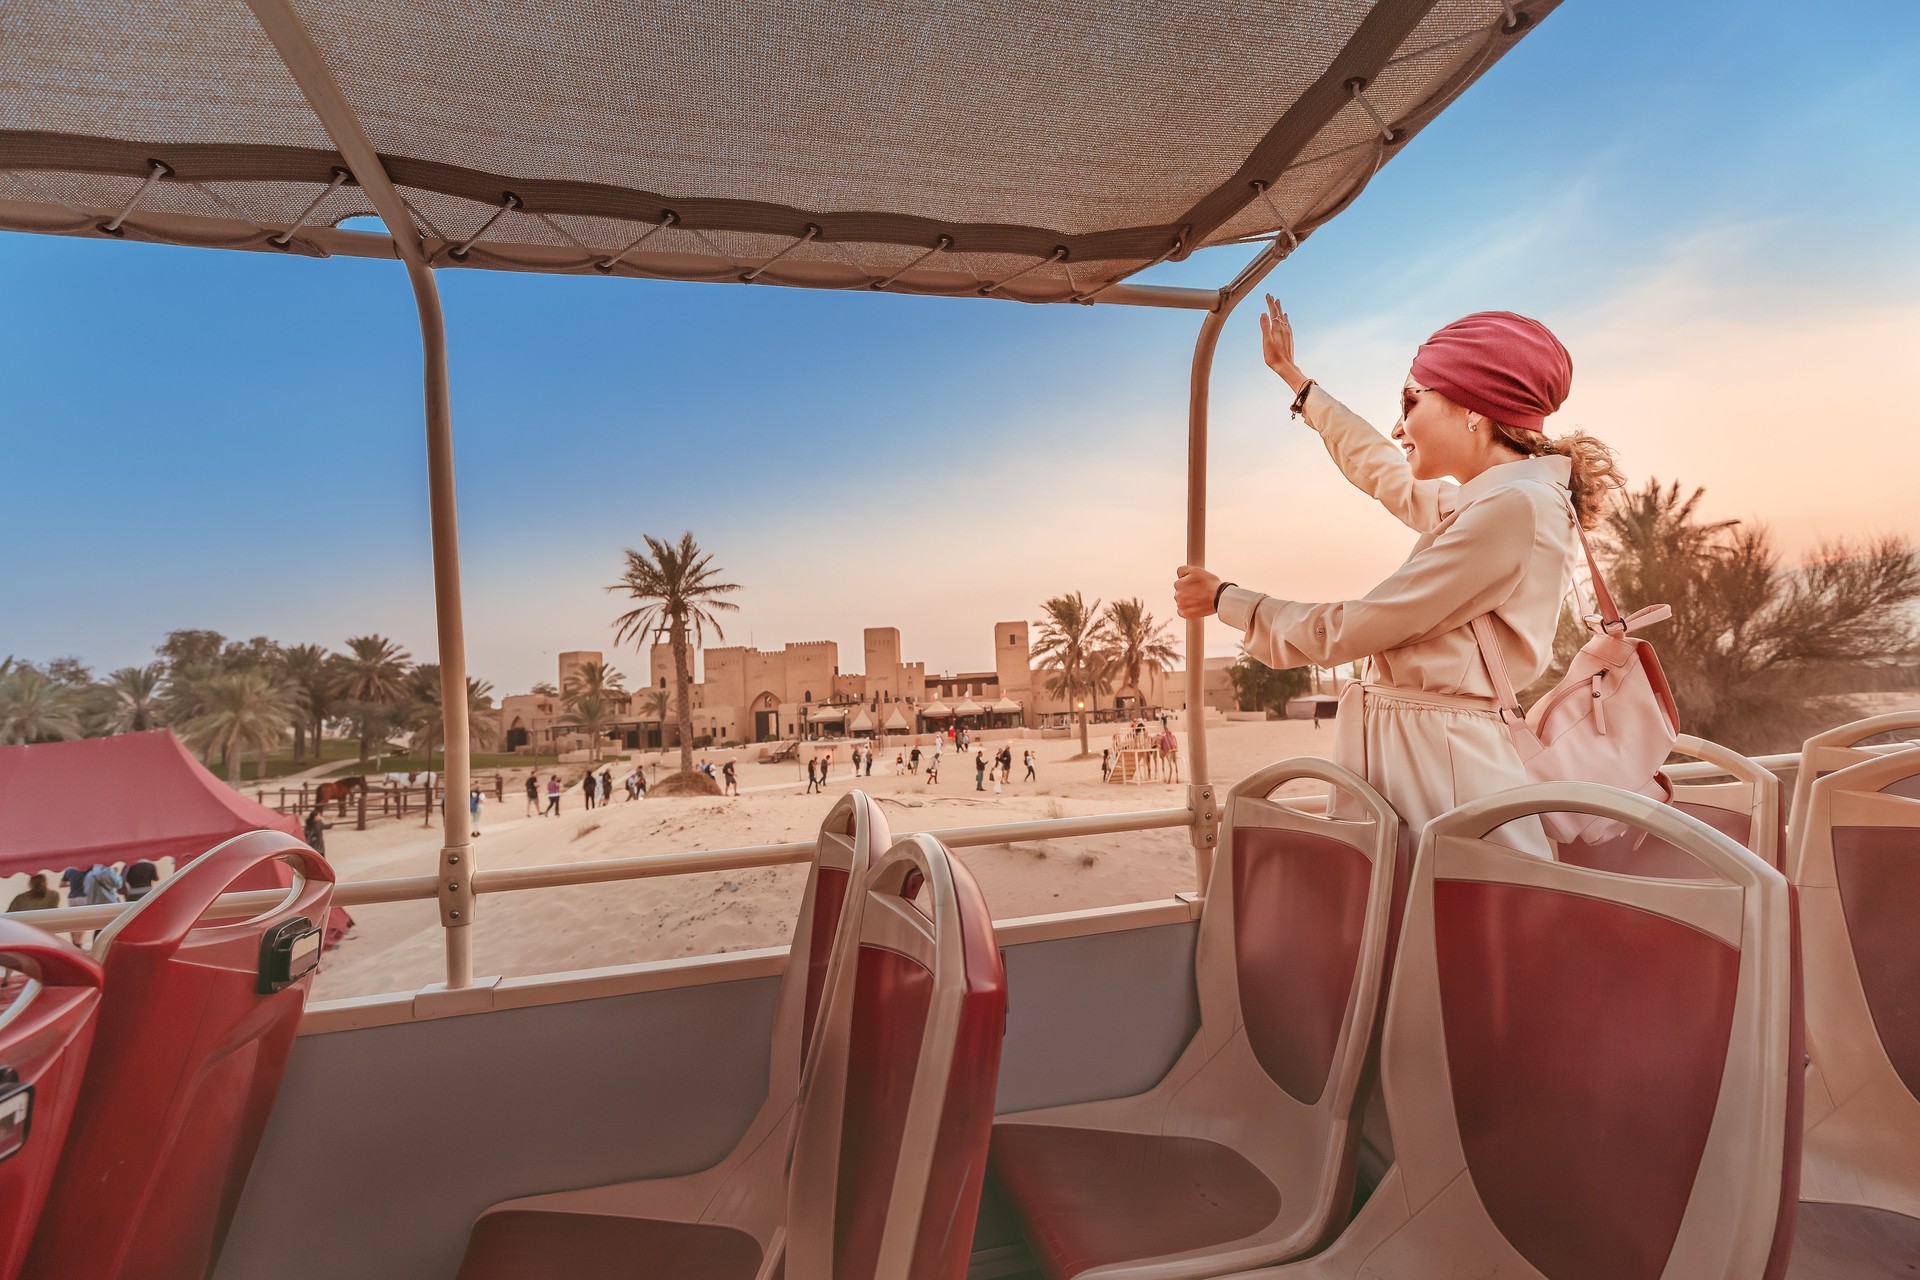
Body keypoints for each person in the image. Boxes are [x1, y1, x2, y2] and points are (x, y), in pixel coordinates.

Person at [1175, 300, 1617, 855]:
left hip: (1441, 768)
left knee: (1440, 929)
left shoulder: (1513, 511)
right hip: (1423, 754)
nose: (1399, 425)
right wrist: (1297, 381)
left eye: (1411, 402)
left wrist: (1226, 600)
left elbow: (1357, 626)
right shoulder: (1500, 501)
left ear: (1472, 409)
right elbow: (1385, 471)